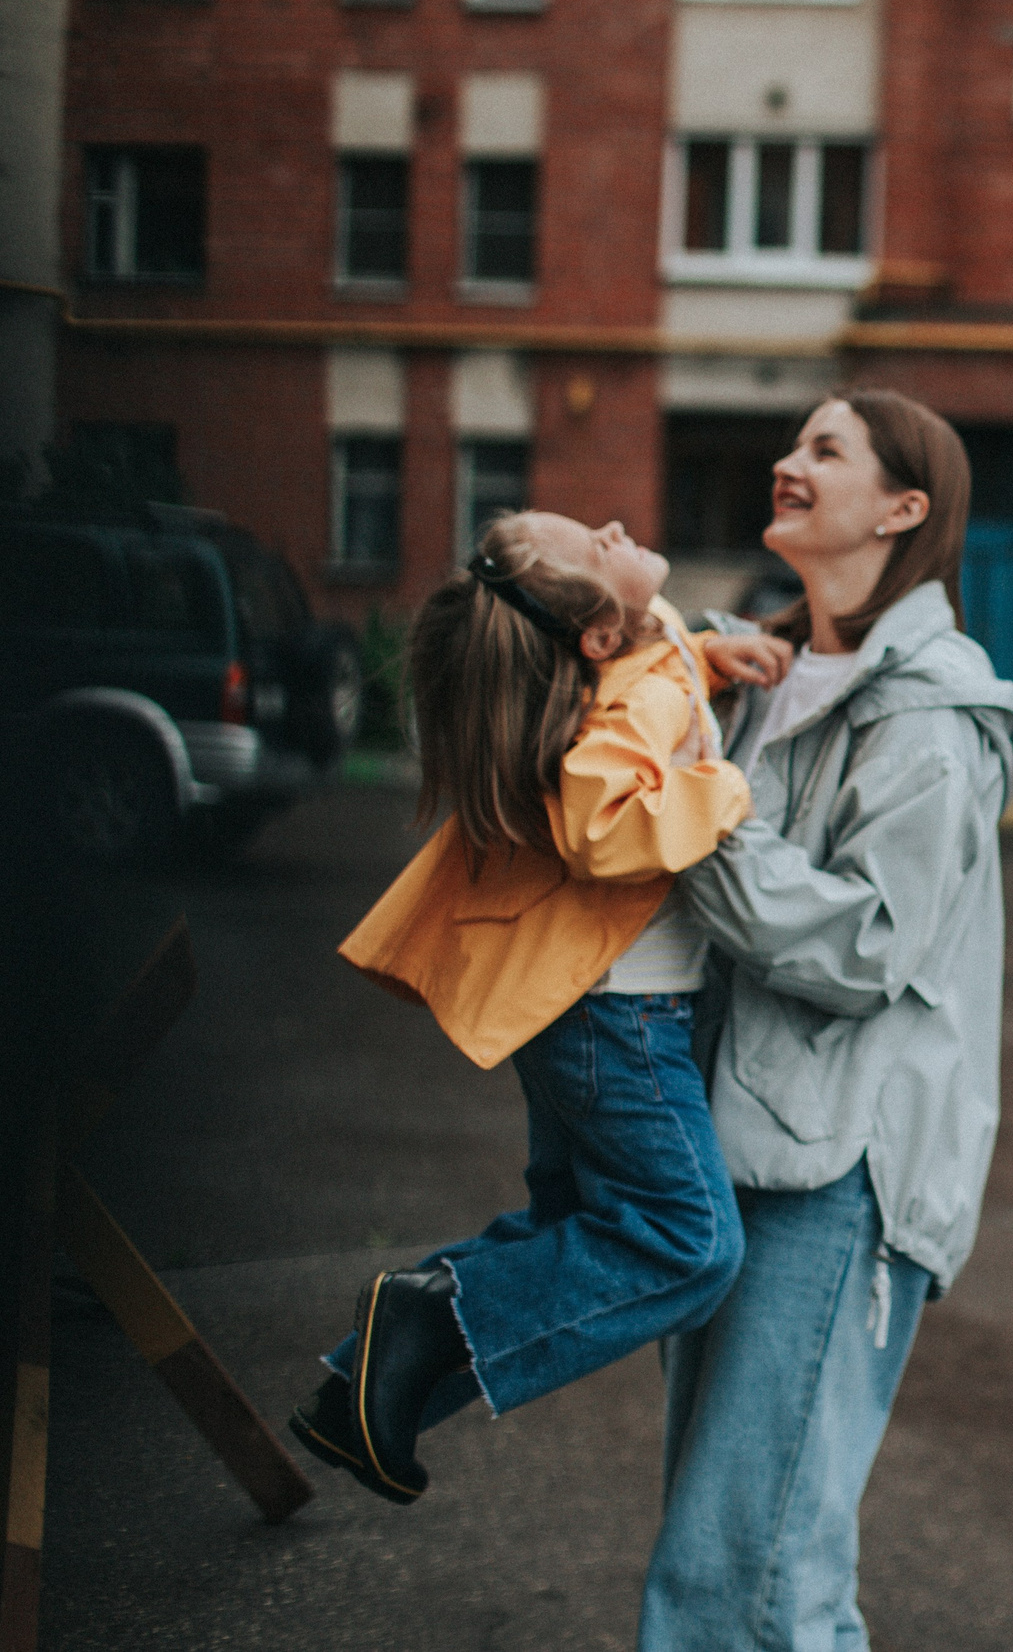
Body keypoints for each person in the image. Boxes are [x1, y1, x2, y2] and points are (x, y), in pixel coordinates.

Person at [290, 511, 796, 1504]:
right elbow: (602, 828)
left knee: (571, 1225)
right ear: (598, 635)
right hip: (624, 1022)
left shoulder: (632, 649)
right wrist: (723, 788)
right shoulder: (634, 686)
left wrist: (704, 652)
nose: (613, 524)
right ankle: (421, 1320)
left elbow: (635, 679)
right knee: (690, 1246)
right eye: (596, 544)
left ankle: (361, 1395)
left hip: (587, 1016)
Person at [638, 390, 1013, 1651]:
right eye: (793, 444)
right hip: (734, 1143)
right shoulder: (766, 673)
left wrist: (696, 825)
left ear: (902, 510)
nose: (785, 464)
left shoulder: (926, 715)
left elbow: (867, 943)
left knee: (744, 1573)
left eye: (825, 450)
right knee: (735, 1552)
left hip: (840, 1172)